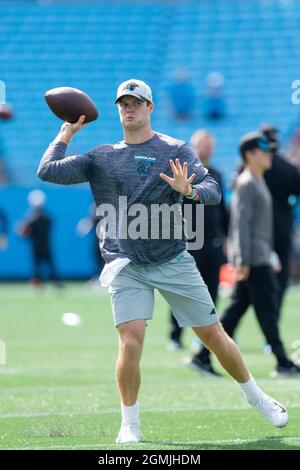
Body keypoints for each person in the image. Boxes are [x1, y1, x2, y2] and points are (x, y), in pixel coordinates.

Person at [38, 79, 288, 444]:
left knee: (213, 336)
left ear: (150, 108)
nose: (129, 108)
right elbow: (48, 170)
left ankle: (256, 396)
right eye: (123, 103)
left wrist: (189, 191)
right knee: (131, 340)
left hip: (172, 258)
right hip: (126, 263)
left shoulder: (174, 149)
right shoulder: (102, 155)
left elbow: (214, 192)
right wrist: (65, 132)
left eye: (136, 103)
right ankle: (130, 423)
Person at [195, 132, 300, 377]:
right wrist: (241, 260)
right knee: (266, 308)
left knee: (238, 309)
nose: (269, 156)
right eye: (263, 152)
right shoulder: (246, 183)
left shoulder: (257, 179)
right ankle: (282, 361)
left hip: (260, 255)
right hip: (253, 259)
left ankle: (202, 355)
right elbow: (240, 226)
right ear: (250, 155)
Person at [169, 130, 229, 363]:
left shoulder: (216, 175)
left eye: (210, 144)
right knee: (182, 291)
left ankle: (205, 337)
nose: (207, 148)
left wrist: (227, 236)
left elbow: (222, 210)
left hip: (213, 242)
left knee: (211, 290)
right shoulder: (185, 175)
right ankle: (175, 334)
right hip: (189, 241)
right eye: (203, 144)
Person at [261, 124, 300, 322]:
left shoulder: (252, 167)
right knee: (281, 279)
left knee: (253, 282)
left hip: (258, 231)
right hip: (282, 229)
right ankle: (273, 321)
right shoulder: (289, 167)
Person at [17, 189, 60, 285]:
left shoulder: (31, 218)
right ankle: (55, 282)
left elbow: (22, 232)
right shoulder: (47, 217)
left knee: (40, 266)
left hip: (37, 245)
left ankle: (41, 282)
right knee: (46, 265)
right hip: (44, 245)